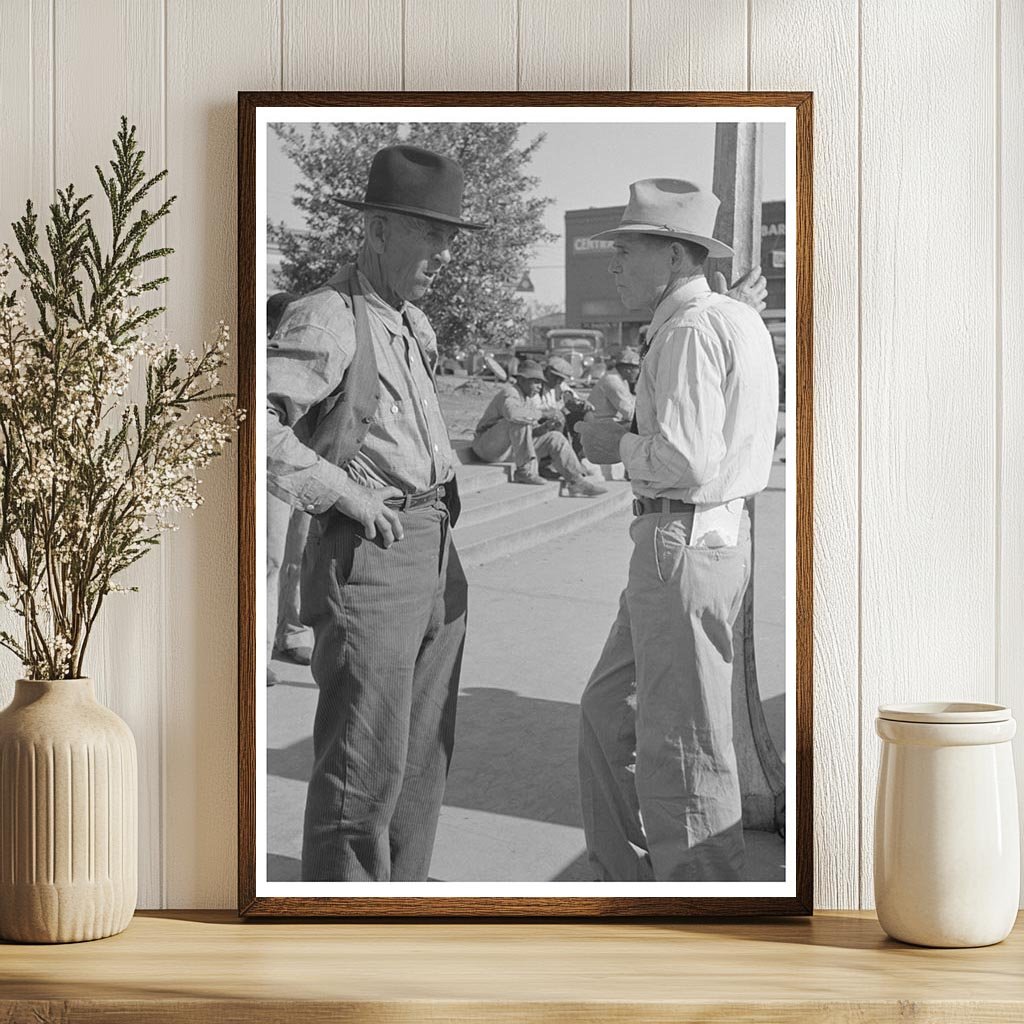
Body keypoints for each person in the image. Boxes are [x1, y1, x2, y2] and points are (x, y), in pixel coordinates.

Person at [267, 144, 485, 882]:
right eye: (430, 234)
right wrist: (342, 491)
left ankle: (402, 903)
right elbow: (245, 420)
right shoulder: (328, 318)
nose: (443, 253)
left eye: (449, 237)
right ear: (379, 229)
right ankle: (340, 933)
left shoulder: (411, 322)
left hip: (431, 546)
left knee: (422, 756)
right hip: (369, 553)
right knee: (364, 761)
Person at [575, 178, 778, 882]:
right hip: (701, 539)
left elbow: (689, 458)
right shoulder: (729, 318)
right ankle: (623, 876)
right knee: (609, 711)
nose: (616, 266)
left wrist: (616, 445)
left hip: (681, 539)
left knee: (683, 743)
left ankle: (700, 899)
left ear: (670, 256)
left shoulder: (689, 330)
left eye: (626, 251)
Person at [265, 292, 314, 688]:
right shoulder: (266, 359)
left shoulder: (312, 354)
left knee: (299, 556)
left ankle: (292, 632)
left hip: (312, 467)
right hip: (275, 471)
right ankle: (258, 652)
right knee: (271, 559)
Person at [471, 360, 606, 496]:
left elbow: (528, 433)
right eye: (535, 382)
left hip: (508, 449)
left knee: (555, 438)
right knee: (518, 419)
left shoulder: (528, 398)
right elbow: (513, 415)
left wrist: (544, 428)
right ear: (522, 380)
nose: (539, 386)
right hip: (487, 447)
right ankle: (524, 471)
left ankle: (576, 481)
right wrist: (544, 414)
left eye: (541, 382)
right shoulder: (510, 392)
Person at [587, 348, 640, 424]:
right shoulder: (613, 381)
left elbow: (631, 402)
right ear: (628, 369)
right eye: (637, 369)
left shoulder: (622, 380)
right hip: (599, 425)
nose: (638, 373)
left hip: (607, 422)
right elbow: (630, 414)